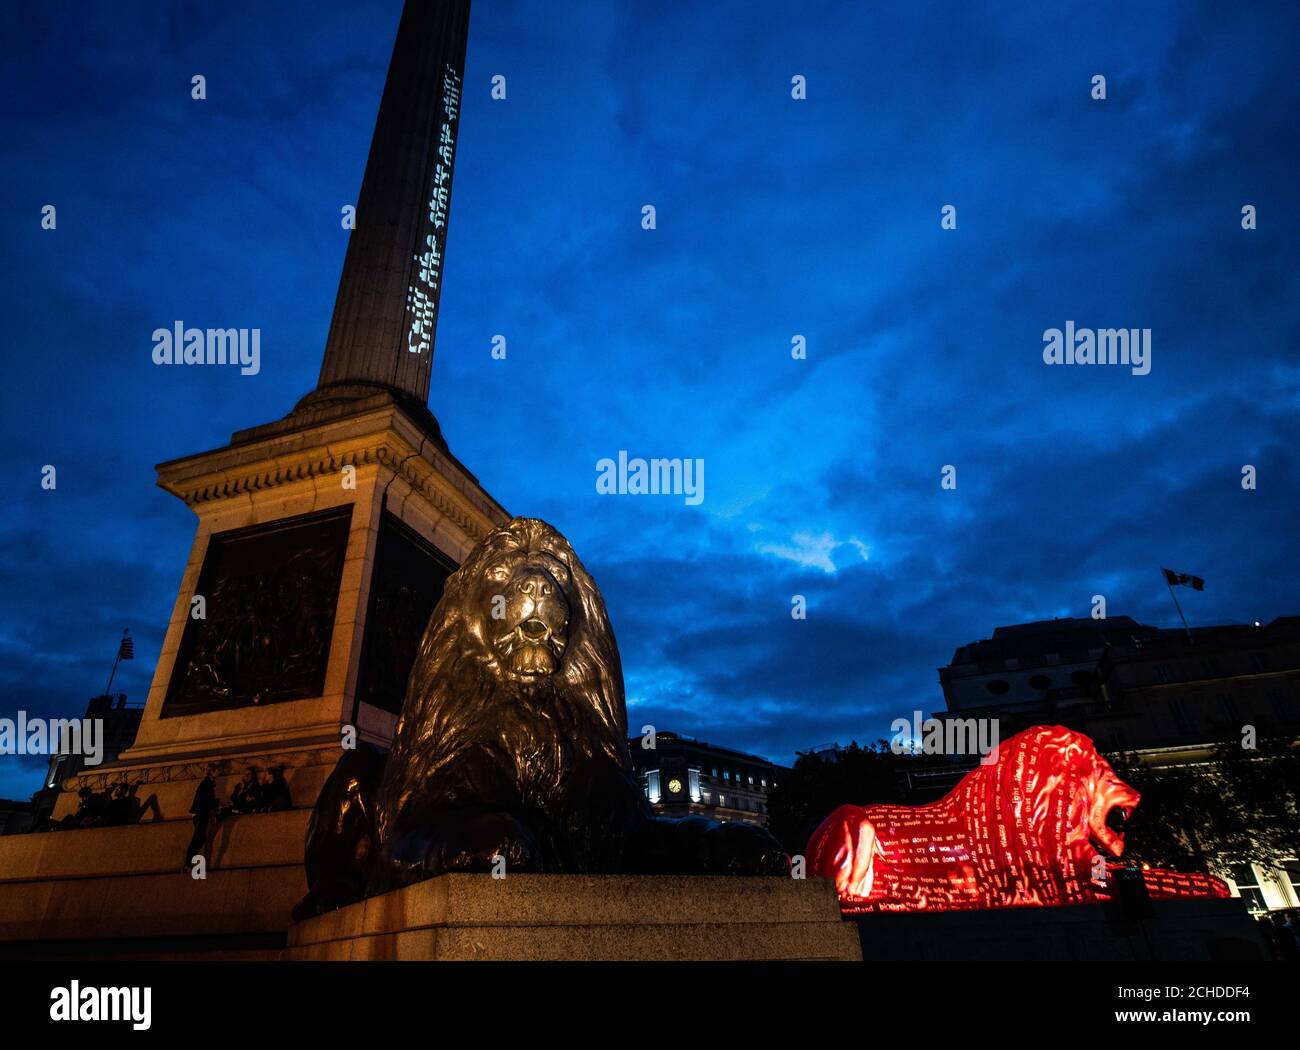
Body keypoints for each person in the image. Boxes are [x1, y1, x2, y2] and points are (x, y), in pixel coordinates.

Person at [183, 766, 220, 871]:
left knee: (201, 837)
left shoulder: (208, 784)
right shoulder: (207, 784)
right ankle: (187, 863)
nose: (219, 772)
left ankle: (190, 863)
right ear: (211, 772)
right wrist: (217, 803)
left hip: (199, 813)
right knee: (197, 838)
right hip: (200, 813)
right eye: (217, 770)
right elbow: (206, 800)